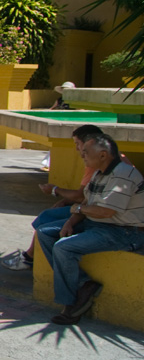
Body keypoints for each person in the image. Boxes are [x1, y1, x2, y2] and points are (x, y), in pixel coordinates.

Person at [35, 133, 144, 325]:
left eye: (86, 152)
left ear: (103, 155)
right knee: (45, 232)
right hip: (98, 224)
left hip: (124, 231)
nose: (82, 155)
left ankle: (72, 305)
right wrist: (70, 222)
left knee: (64, 247)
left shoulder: (123, 174)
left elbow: (106, 211)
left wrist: (77, 209)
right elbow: (87, 201)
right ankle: (84, 284)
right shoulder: (99, 173)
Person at [3, 125, 109, 271]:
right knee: (48, 222)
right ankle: (34, 260)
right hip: (94, 212)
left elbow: (85, 199)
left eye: (78, 144)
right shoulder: (99, 163)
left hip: (107, 223)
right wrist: (67, 203)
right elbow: (86, 197)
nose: (77, 150)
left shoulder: (100, 164)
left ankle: (32, 259)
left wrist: (55, 190)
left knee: (47, 225)